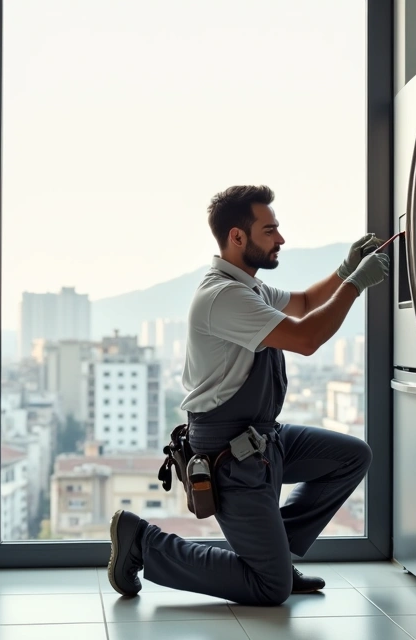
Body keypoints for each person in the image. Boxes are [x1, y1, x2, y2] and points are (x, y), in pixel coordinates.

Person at [106, 184, 391, 606]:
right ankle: (144, 543)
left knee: (352, 456)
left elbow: (307, 301)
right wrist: (355, 284)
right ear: (238, 237)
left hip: (261, 438)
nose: (281, 239)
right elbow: (307, 336)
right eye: (270, 230)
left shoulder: (248, 288)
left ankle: (274, 553)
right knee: (269, 588)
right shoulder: (223, 297)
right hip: (228, 453)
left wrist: (344, 267)